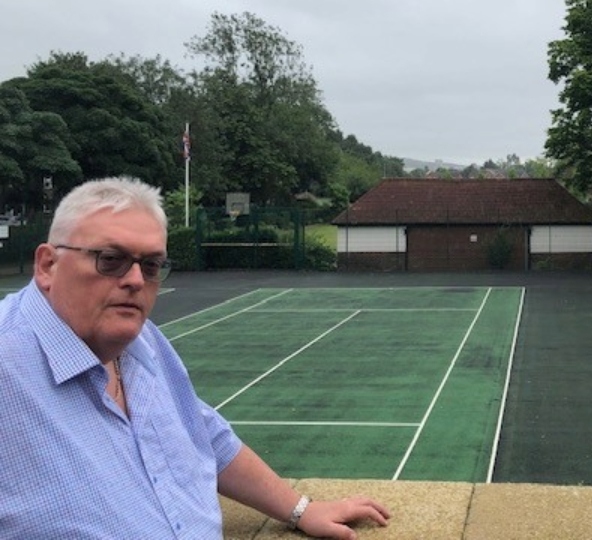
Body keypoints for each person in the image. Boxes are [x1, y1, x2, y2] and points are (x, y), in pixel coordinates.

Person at [0, 176, 391, 538]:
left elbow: (203, 433)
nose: (135, 279)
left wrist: (299, 508)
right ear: (48, 265)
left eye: (151, 265)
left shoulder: (143, 341)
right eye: (110, 259)